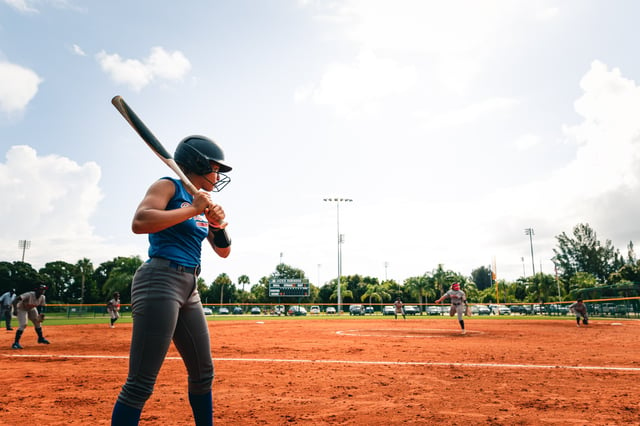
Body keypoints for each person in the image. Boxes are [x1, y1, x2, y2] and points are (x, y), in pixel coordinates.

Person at [111, 135, 232, 426]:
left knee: (203, 373)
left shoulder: (204, 202)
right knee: (141, 382)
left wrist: (216, 224)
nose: (217, 175)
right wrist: (192, 209)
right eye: (215, 168)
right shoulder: (168, 186)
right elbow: (140, 222)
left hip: (190, 287)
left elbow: (224, 251)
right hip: (160, 280)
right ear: (197, 163)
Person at [11, 284, 50, 349]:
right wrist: (15, 309)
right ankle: (15, 343)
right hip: (21, 308)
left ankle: (40, 338)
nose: (43, 291)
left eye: (44, 289)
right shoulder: (29, 294)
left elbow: (40, 306)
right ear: (36, 289)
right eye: (41, 289)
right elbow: (15, 300)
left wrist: (40, 315)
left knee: (37, 322)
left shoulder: (42, 297)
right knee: (23, 324)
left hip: (31, 308)